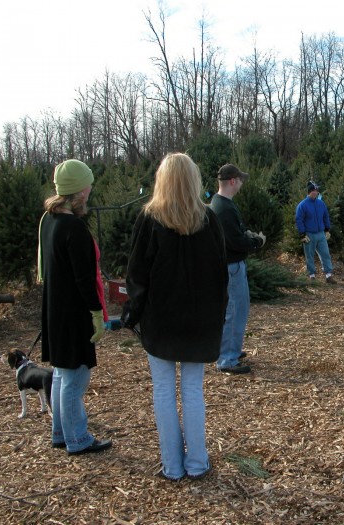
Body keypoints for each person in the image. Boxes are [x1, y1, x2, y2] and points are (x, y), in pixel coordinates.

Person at [123, 153, 228, 481]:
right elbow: (219, 275)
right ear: (194, 179)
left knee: (164, 390)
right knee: (192, 390)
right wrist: (217, 315)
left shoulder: (150, 218)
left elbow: (136, 275)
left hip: (162, 320)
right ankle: (197, 463)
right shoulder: (208, 220)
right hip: (197, 321)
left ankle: (173, 466)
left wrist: (133, 315)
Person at [38, 159, 112, 455]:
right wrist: (96, 313)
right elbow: (84, 279)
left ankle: (60, 432)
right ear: (79, 191)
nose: (91, 188)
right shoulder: (74, 228)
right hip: (72, 314)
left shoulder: (50, 221)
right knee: (75, 376)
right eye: (89, 184)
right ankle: (77, 438)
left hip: (56, 309)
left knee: (61, 373)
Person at [210, 163, 266, 375]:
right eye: (240, 180)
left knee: (235, 310)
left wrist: (248, 236)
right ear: (232, 181)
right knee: (234, 311)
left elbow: (236, 234)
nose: (242, 183)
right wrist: (256, 242)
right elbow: (234, 241)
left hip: (230, 266)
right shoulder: (223, 208)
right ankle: (227, 359)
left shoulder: (221, 204)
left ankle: (230, 349)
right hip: (231, 267)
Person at [295, 180, 336, 284]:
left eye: (316, 190)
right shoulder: (302, 205)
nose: (314, 192)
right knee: (309, 255)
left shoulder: (321, 203)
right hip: (309, 234)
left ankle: (328, 275)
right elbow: (299, 220)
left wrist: (327, 229)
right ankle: (312, 275)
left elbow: (326, 216)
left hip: (321, 234)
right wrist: (302, 234)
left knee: (325, 254)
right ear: (308, 192)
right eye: (312, 191)